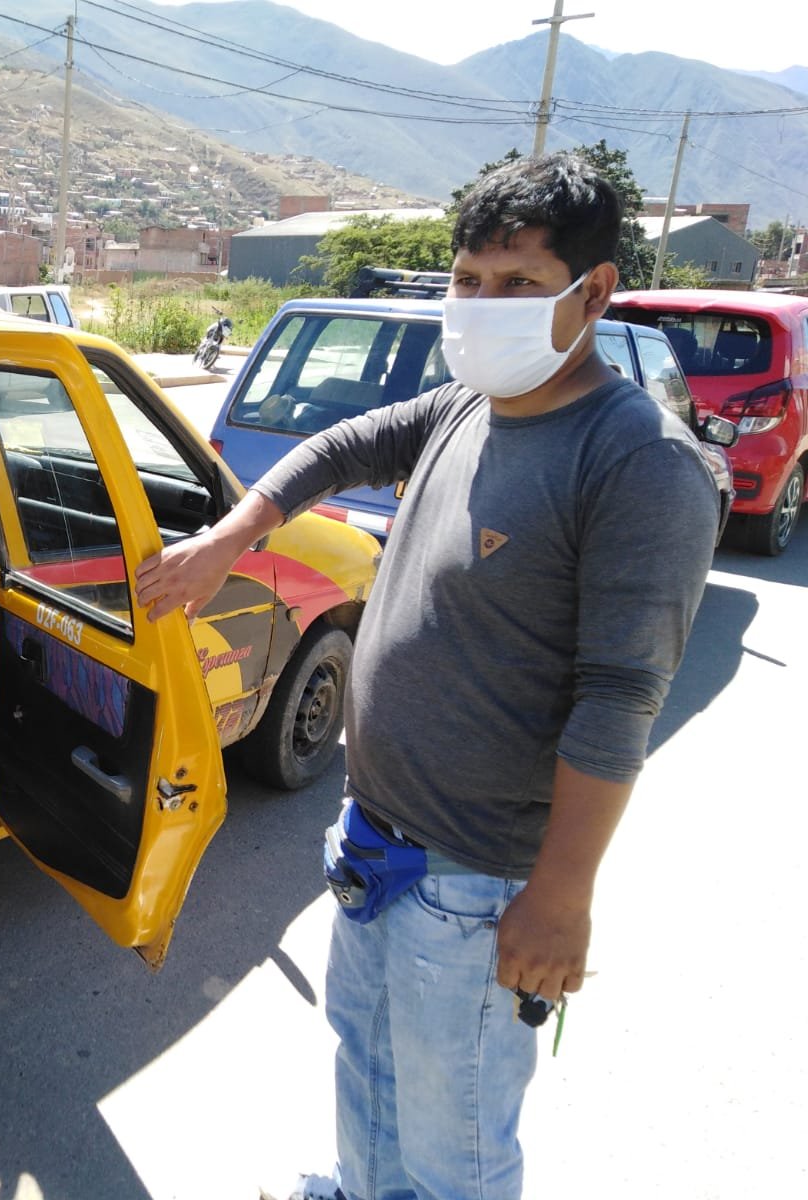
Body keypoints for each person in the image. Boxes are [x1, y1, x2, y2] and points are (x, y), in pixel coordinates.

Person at [134, 153, 719, 1200]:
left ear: (593, 290)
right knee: (365, 1073)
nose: (482, 306)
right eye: (467, 280)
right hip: (376, 840)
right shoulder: (467, 407)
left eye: (517, 286)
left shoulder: (638, 464)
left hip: (480, 884)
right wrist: (231, 535)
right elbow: (345, 442)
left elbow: (619, 697)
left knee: (455, 1150)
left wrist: (561, 898)